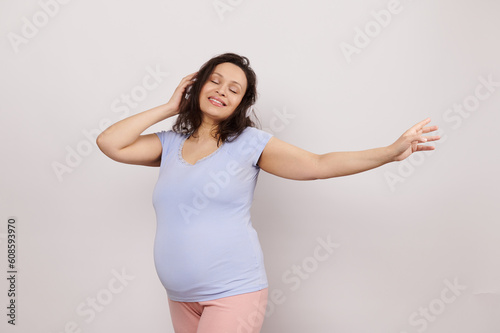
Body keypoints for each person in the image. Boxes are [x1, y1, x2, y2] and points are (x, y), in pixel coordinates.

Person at [96, 53, 440, 333]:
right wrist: (171, 107)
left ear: (241, 102)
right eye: (214, 81)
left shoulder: (249, 144)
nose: (221, 91)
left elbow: (318, 164)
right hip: (180, 296)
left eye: (234, 89)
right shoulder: (168, 145)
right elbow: (109, 143)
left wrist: (391, 152)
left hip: (232, 292)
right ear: (196, 86)